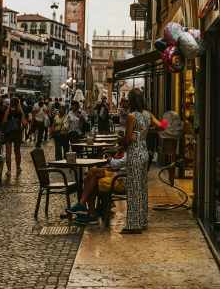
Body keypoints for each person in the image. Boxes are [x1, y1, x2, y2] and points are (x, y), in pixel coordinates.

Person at [116, 88, 162, 234]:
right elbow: (161, 126)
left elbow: (128, 138)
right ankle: (142, 221)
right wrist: (147, 131)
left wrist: (120, 139)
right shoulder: (148, 115)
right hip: (144, 153)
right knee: (142, 188)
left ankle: (133, 225)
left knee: (133, 189)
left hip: (135, 154)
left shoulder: (131, 116)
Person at [68, 146, 128, 225]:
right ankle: (84, 208)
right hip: (115, 173)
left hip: (120, 179)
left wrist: (111, 160)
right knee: (91, 174)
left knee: (91, 182)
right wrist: (119, 150)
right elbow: (118, 162)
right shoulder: (125, 149)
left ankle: (89, 212)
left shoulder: (132, 149)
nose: (119, 138)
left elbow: (118, 163)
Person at [1, 96, 27, 177]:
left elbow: (4, 122)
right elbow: (23, 124)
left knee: (8, 151)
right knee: (17, 151)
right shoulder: (21, 112)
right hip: (17, 133)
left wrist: (2, 132)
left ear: (11, 103)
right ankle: (18, 168)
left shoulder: (7, 111)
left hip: (8, 133)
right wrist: (22, 131)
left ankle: (9, 170)